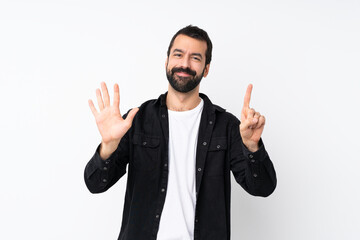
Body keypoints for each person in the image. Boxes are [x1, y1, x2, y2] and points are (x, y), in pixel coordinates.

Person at [84, 25, 277, 240]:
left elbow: (263, 187)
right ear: (166, 62)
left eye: (195, 57)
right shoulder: (137, 120)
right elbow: (95, 184)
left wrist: (252, 147)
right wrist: (108, 146)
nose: (184, 64)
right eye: (178, 55)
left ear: (206, 68)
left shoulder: (227, 126)